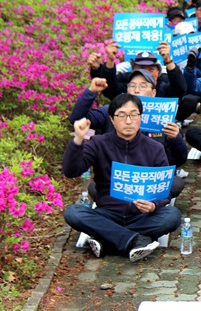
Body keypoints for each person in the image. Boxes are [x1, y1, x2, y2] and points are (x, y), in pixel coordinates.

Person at [62, 94, 182, 262]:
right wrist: (78, 139)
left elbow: (165, 191)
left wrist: (154, 206)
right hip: (107, 213)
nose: (128, 121)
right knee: (74, 213)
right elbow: (71, 171)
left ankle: (106, 237)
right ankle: (135, 240)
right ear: (112, 119)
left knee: (172, 215)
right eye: (121, 115)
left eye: (134, 115)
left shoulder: (155, 148)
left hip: (142, 216)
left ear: (141, 117)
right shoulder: (98, 143)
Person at [68, 70, 187, 197]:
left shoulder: (163, 118)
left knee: (176, 183)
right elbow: (76, 119)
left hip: (149, 181)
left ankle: (149, 207)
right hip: (117, 180)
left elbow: (180, 159)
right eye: (132, 86)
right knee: (94, 188)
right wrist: (91, 92)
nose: (136, 90)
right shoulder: (112, 111)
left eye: (143, 86)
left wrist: (176, 139)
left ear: (153, 93)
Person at [88, 43, 187, 101]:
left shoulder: (163, 85)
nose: (145, 74)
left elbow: (180, 88)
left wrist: (168, 60)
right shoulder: (126, 84)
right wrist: (110, 60)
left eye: (151, 70)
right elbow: (108, 87)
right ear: (133, 70)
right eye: (141, 69)